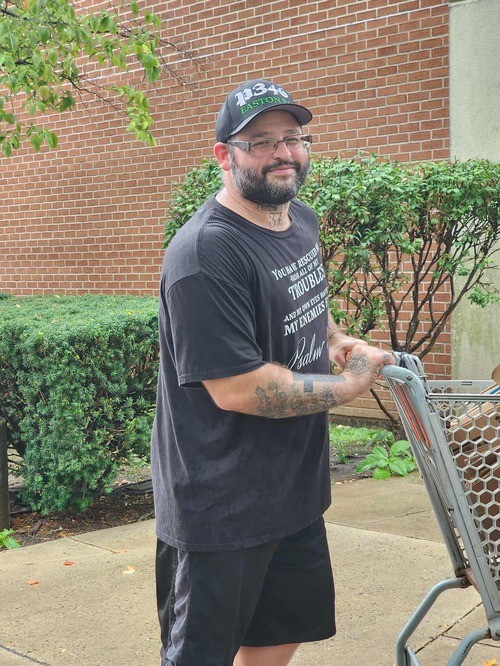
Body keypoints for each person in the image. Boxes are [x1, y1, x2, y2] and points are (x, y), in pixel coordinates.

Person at [151, 78, 393, 666]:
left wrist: (335, 340)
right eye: (260, 141)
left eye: (293, 137)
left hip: (292, 489)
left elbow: (307, 302)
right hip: (220, 505)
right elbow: (239, 388)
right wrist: (350, 386)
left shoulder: (298, 219)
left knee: (280, 635)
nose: (283, 153)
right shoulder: (205, 253)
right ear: (225, 155)